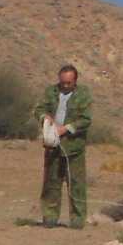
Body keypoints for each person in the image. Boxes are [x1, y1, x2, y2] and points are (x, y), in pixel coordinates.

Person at [33, 63, 93, 228]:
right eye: (63, 82)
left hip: (74, 148)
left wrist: (65, 129)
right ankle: (49, 218)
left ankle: (77, 220)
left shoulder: (83, 95)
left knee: (76, 185)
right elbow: (39, 109)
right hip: (52, 146)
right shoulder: (51, 92)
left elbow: (85, 120)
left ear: (75, 81)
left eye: (69, 83)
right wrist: (45, 117)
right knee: (51, 183)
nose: (65, 86)